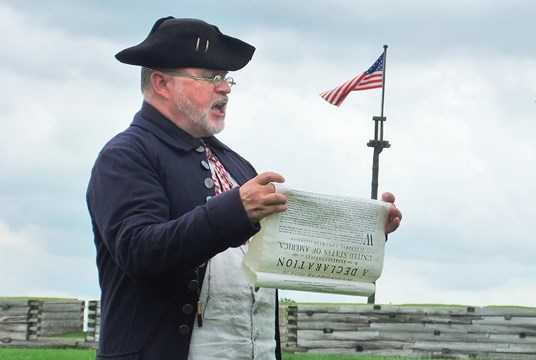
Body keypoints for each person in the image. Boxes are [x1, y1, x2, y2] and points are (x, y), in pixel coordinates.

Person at [86, 16, 402, 360]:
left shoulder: (237, 166)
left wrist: (363, 233)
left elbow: (282, 253)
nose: (225, 89)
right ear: (162, 83)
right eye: (210, 78)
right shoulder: (126, 155)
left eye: (225, 78)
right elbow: (140, 252)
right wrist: (235, 210)